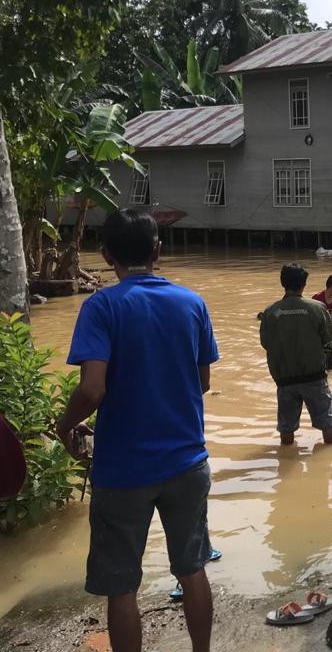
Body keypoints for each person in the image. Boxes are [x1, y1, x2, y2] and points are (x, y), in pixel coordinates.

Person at [56, 209, 218, 652]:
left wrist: (65, 424)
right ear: (157, 252)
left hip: (123, 469)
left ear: (106, 255)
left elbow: (91, 389)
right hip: (187, 461)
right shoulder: (192, 303)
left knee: (122, 585)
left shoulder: (101, 307)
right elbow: (203, 382)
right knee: (192, 568)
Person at [260, 263, 332, 446]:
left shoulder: (271, 312)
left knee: (286, 428)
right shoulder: (317, 308)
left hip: (285, 378)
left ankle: (286, 463)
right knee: (327, 423)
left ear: (282, 284)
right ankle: (329, 465)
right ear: (304, 284)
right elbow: (328, 340)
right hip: (314, 376)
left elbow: (265, 343)